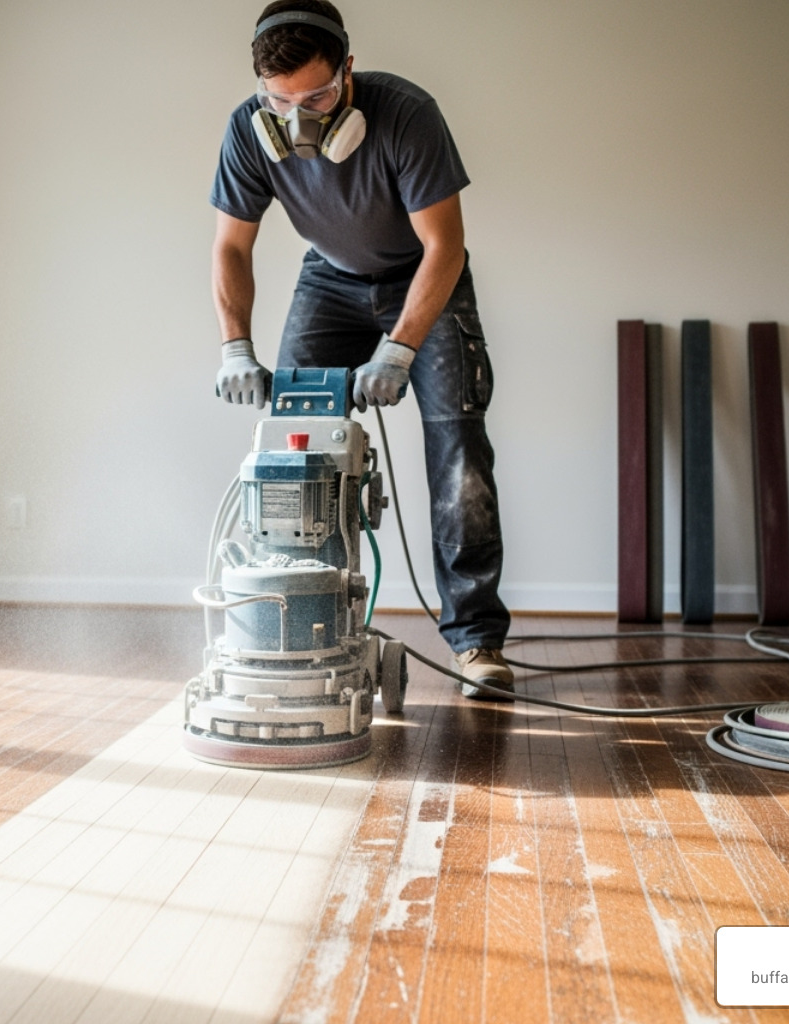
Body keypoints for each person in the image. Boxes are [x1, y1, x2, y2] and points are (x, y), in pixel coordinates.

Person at [209, 0, 513, 699]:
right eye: (279, 101)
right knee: (295, 451)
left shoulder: (407, 114)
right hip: (331, 277)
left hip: (423, 278)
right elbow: (231, 245)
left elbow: (445, 246)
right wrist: (235, 348)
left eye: (316, 96)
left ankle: (477, 643)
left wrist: (401, 348)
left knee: (458, 449)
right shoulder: (247, 133)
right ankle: (301, 623)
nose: (299, 118)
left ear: (348, 68)